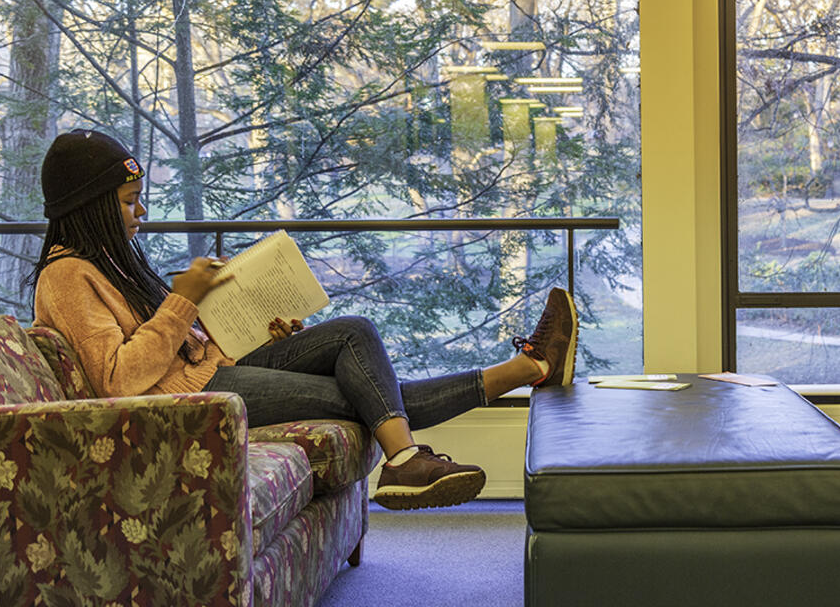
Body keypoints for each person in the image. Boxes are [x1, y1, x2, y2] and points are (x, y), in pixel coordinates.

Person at [30, 129, 578, 510]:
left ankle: (509, 382)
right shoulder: (67, 276)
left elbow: (174, 347)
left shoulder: (107, 263)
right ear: (92, 206)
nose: (141, 212)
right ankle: (462, 417)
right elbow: (119, 379)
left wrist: (249, 330)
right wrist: (182, 301)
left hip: (211, 369)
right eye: (129, 201)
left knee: (353, 333)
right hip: (192, 400)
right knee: (364, 397)